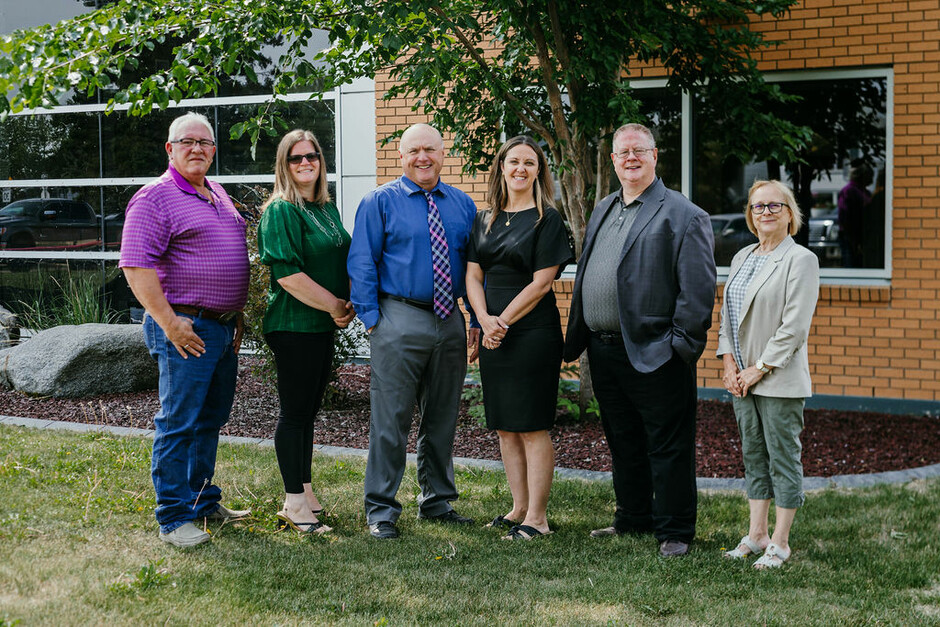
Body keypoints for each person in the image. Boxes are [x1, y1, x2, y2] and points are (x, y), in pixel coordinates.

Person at [563, 122, 716, 557]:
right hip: (605, 348)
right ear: (612, 161)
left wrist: (679, 347)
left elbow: (697, 291)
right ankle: (632, 518)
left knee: (668, 444)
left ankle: (675, 531)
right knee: (623, 440)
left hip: (656, 351)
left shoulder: (683, 214)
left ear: (654, 156)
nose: (631, 158)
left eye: (639, 150)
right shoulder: (604, 208)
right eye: (622, 152)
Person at [120, 112, 251, 548]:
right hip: (184, 327)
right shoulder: (154, 197)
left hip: (219, 328)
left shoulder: (215, 192)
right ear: (170, 148)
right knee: (179, 422)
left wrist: (235, 314)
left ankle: (201, 500)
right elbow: (137, 268)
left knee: (210, 418)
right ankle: (173, 517)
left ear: (214, 150)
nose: (197, 148)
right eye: (187, 141)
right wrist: (171, 323)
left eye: (205, 142)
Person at [347, 123, 480, 539]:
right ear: (401, 156)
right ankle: (381, 509)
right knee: (392, 419)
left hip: (450, 320)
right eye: (414, 151)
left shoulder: (462, 205)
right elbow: (362, 261)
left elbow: (477, 269)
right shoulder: (379, 201)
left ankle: (436, 501)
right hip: (397, 317)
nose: (423, 157)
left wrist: (475, 318)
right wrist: (371, 319)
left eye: (431, 150)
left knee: (441, 417)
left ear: (444, 154)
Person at [466, 136, 573, 541]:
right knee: (505, 426)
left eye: (530, 163)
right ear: (501, 167)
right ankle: (518, 507)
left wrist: (501, 322)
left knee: (531, 424)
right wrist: (482, 318)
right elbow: (473, 274)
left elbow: (543, 283)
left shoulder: (548, 219)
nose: (521, 169)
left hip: (531, 332)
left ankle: (539, 519)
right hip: (493, 329)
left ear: (539, 171)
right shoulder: (485, 218)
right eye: (514, 161)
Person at [257, 130, 355, 535]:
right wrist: (335, 305)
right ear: (285, 165)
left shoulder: (324, 209)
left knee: (310, 412)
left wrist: (347, 303)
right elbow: (288, 276)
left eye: (311, 156)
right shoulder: (282, 211)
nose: (305, 163)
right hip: (294, 325)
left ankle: (307, 492)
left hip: (320, 325)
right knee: (295, 413)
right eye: (295, 158)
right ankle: (292, 502)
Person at [718, 179, 819, 569]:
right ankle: (756, 534)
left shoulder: (801, 260)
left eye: (774, 206)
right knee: (753, 456)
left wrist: (758, 369)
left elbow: (794, 327)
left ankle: (780, 542)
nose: (765, 213)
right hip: (741, 379)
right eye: (758, 207)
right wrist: (729, 364)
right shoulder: (743, 256)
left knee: (783, 458)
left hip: (776, 378)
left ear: (789, 213)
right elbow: (728, 317)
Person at [837, 159, 873, 267]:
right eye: (870, 175)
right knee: (851, 263)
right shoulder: (849, 191)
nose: (871, 179)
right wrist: (854, 239)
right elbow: (845, 216)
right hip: (851, 236)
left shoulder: (863, 192)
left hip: (860, 235)